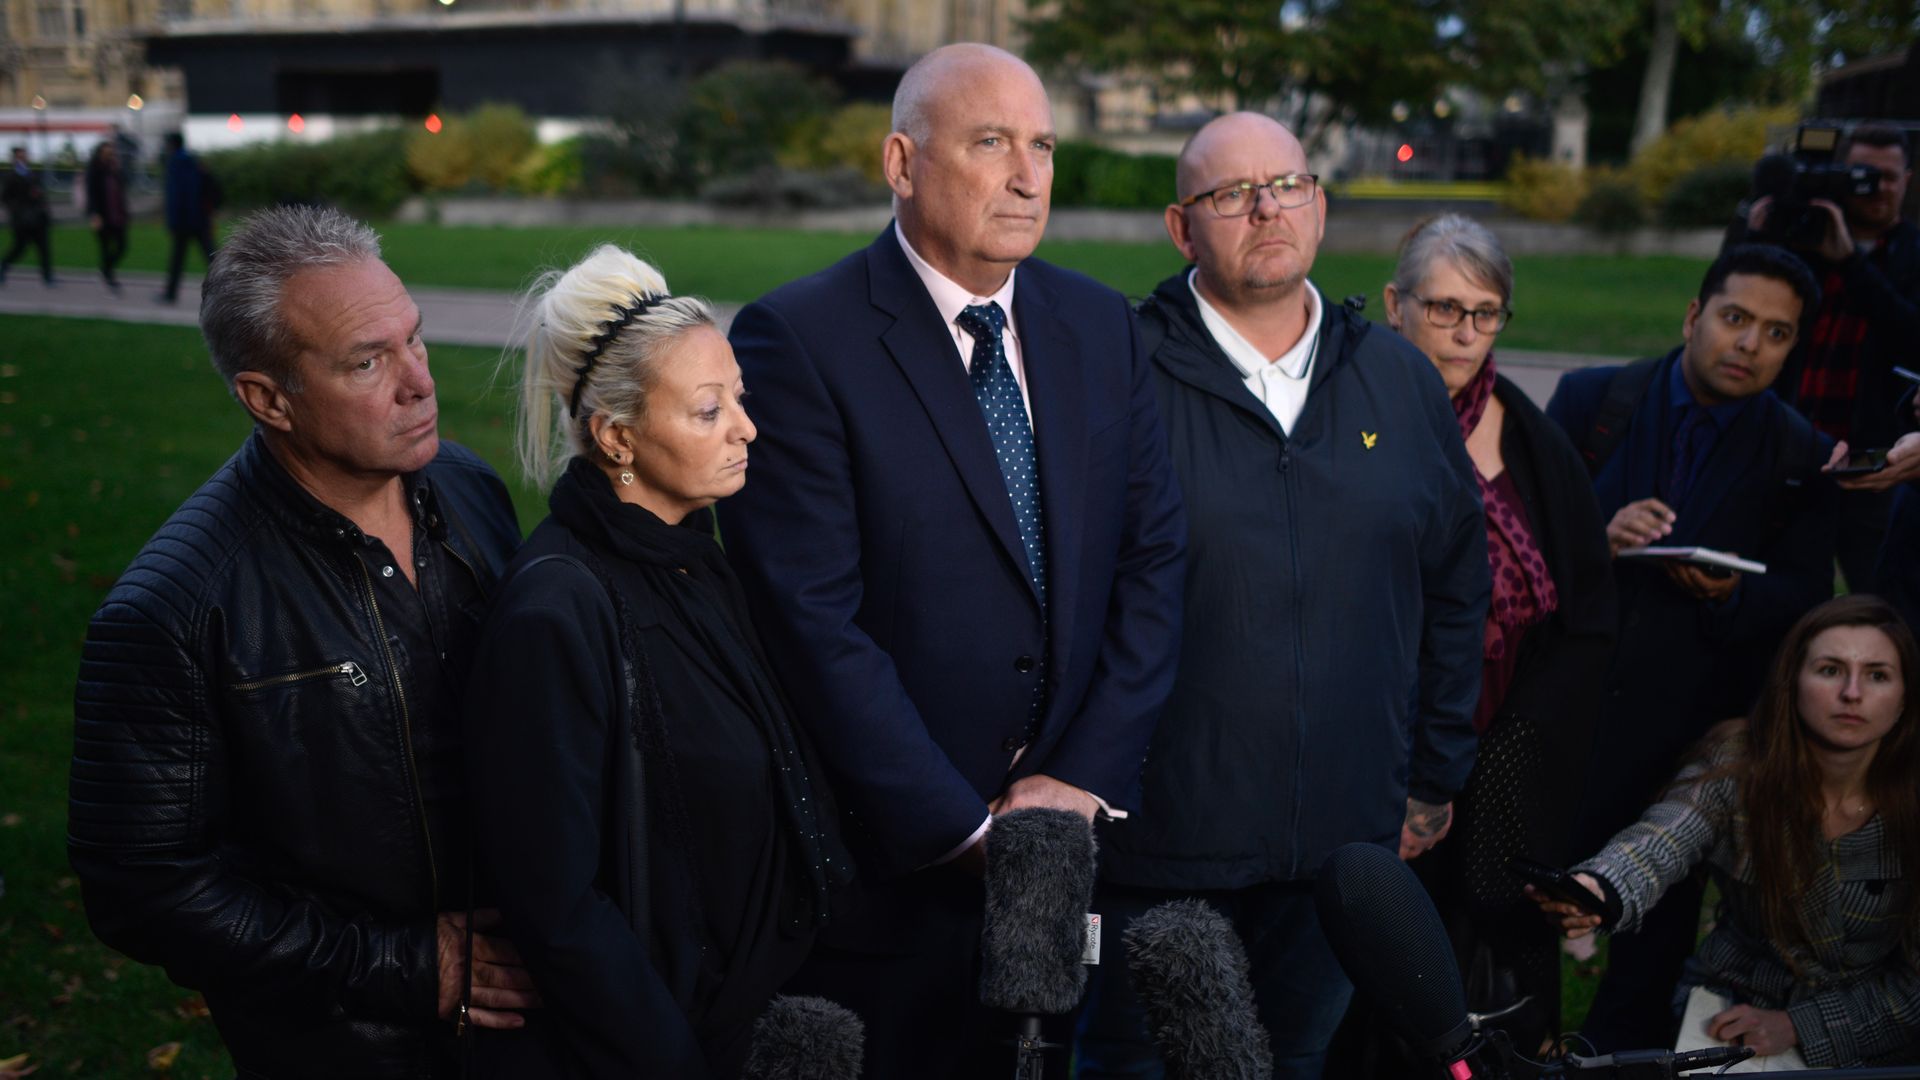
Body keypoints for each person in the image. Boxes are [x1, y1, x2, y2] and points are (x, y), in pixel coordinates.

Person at [716, 43, 1186, 1078]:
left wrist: (1075, 783)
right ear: (901, 162)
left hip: (1068, 859)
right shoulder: (799, 340)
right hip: (889, 876)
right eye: (990, 144)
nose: (1029, 177)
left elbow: (1154, 568)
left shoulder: (1102, 326)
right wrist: (964, 829)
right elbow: (809, 620)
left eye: (1044, 146)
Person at [69, 205, 533, 1078]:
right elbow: (144, 889)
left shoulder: (465, 487)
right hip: (349, 1044)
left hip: (529, 1005)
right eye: (368, 362)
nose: (419, 382)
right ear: (267, 398)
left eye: (415, 340)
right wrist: (401, 967)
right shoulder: (175, 607)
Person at [1078, 113, 1490, 1080]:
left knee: (1295, 1062)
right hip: (1163, 846)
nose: (1267, 208)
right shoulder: (1118, 372)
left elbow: (1456, 584)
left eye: (1289, 185)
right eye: (1232, 194)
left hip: (1342, 849)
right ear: (1184, 228)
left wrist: (1432, 772)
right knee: (1135, 1067)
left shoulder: (1397, 378)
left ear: (1320, 204)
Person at [464, 245, 847, 1078]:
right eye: (709, 411)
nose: (748, 428)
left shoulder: (693, 559)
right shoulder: (555, 612)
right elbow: (556, 906)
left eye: (738, 398)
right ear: (617, 436)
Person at [1546, 243, 1840, 1051]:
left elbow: (1811, 595)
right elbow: (1520, 542)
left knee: (1652, 949)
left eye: (1776, 334)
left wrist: (1736, 593)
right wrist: (1597, 539)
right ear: (1693, 316)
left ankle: (1618, 1059)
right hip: (1558, 717)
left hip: (1691, 736)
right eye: (1736, 319)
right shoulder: (1592, 400)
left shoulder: (1801, 452)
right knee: (1515, 921)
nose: (1749, 345)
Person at [1370, 214, 1616, 1058]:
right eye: (1444, 310)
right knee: (1382, 976)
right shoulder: (1355, 414)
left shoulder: (1532, 437)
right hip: (1381, 744)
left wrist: (1514, 747)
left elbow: (1582, 610)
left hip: (1508, 755)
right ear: (1395, 305)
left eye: (1487, 312)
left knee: (1494, 987)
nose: (1467, 334)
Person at [1531, 594, 1920, 1069]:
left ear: (1905, 698)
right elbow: (1663, 838)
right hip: (1731, 1008)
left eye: (1877, 675)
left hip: (1876, 1027)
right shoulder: (1740, 762)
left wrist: (1802, 1025)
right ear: (1792, 682)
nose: (1852, 693)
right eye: (1830, 670)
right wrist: (1600, 888)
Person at [1743, 125, 1919, 591]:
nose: (1876, 188)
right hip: (1790, 445)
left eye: (1888, 176)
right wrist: (1752, 235)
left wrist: (1849, 262)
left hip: (1875, 460)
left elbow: (1910, 335)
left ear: (1908, 179)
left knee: (1878, 598)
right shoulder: (1798, 237)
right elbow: (1737, 304)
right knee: (1769, 590)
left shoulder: (1914, 253)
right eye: (1862, 175)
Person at [159, 131, 219, 304]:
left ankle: (170, 293)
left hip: (185, 221)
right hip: (199, 219)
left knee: (178, 259)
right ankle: (230, 291)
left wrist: (173, 221)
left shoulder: (176, 164)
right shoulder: (193, 161)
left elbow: (177, 196)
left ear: (171, 144)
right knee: (211, 258)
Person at [1, 145, 53, 287]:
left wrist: (42, 201)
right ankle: (4, 265)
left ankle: (47, 276)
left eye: (25, 155)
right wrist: (16, 210)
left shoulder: (33, 173)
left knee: (43, 248)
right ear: (15, 158)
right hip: (21, 219)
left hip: (37, 217)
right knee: (19, 248)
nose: (24, 158)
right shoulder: (10, 176)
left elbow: (40, 192)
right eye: (20, 155)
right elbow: (5, 198)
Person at [85, 141, 130, 292]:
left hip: (117, 215)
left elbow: (123, 185)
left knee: (122, 246)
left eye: (111, 152)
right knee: (105, 248)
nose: (109, 155)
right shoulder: (94, 169)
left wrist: (118, 168)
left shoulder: (114, 168)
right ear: (100, 153)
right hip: (102, 215)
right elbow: (91, 193)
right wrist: (94, 214)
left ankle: (105, 270)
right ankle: (110, 278)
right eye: (106, 152)